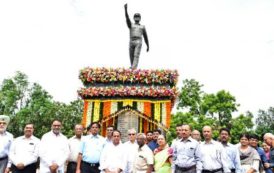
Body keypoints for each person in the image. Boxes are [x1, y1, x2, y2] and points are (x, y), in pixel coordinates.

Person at [124, 3, 149, 69]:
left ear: (140, 18)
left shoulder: (142, 26)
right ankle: (133, 67)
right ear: (134, 18)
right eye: (135, 17)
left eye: (138, 17)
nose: (137, 18)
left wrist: (148, 45)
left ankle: (133, 68)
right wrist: (125, 10)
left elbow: (146, 37)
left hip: (138, 41)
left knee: (136, 55)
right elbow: (127, 18)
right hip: (131, 40)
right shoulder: (131, 25)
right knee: (131, 55)